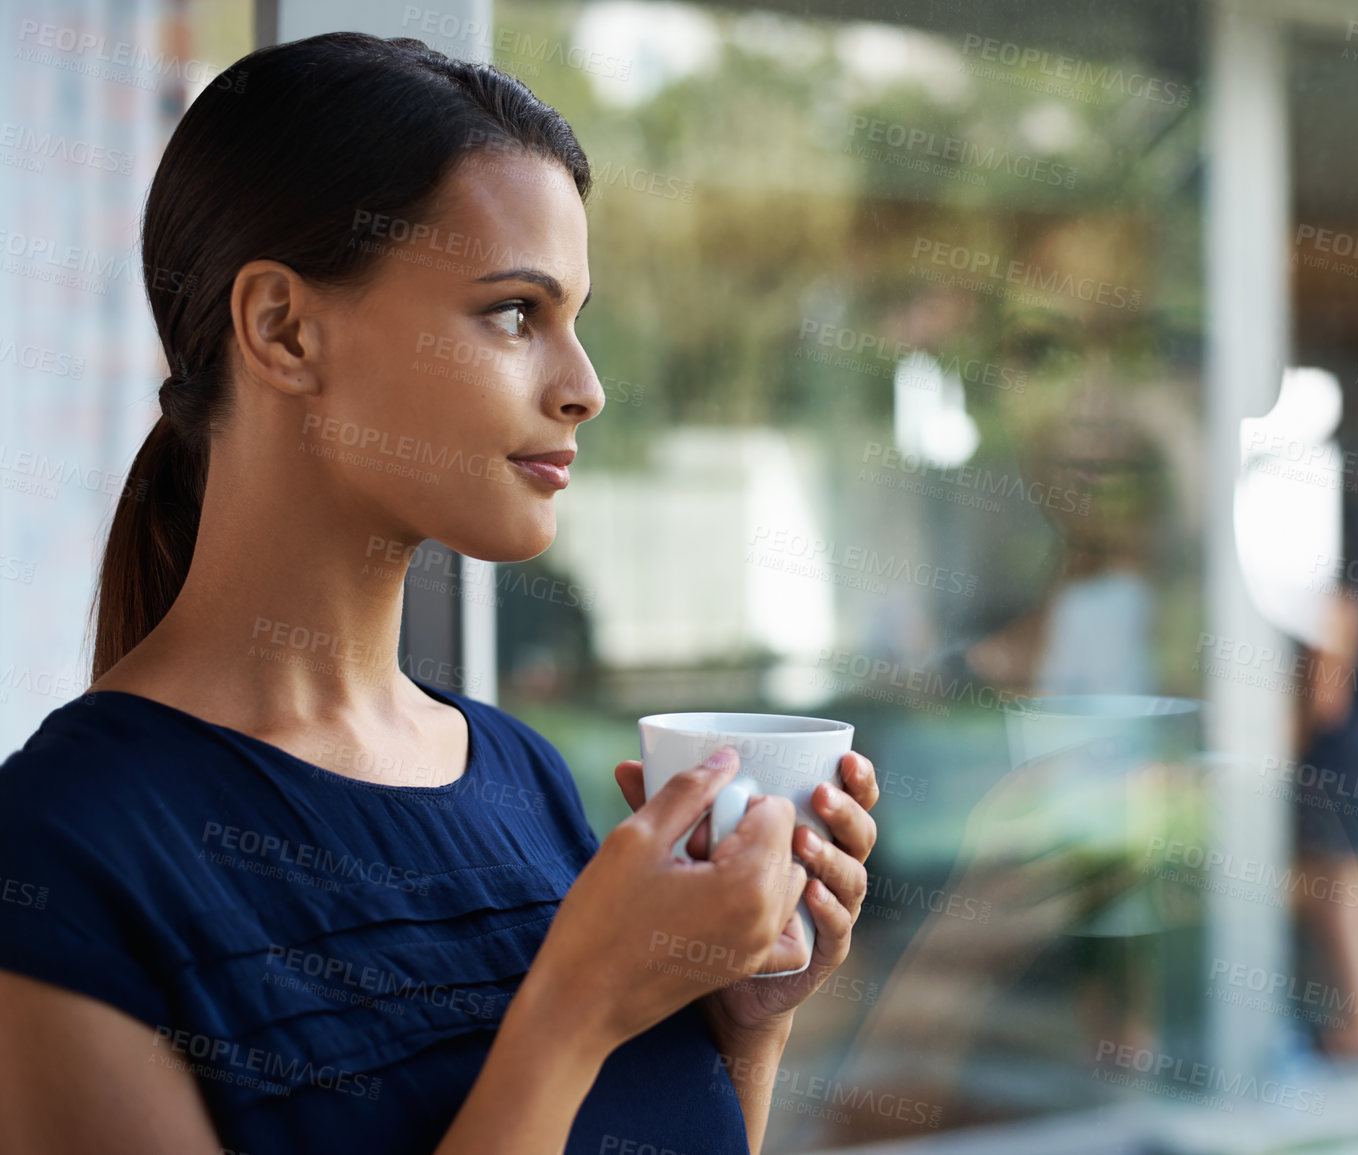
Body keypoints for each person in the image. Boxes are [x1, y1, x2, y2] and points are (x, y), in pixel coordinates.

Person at [0, 32, 881, 1155]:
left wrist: (741, 1020)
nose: (586, 389)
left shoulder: (523, 781)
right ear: (282, 327)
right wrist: (575, 1011)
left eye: (577, 319)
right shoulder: (64, 858)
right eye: (516, 312)